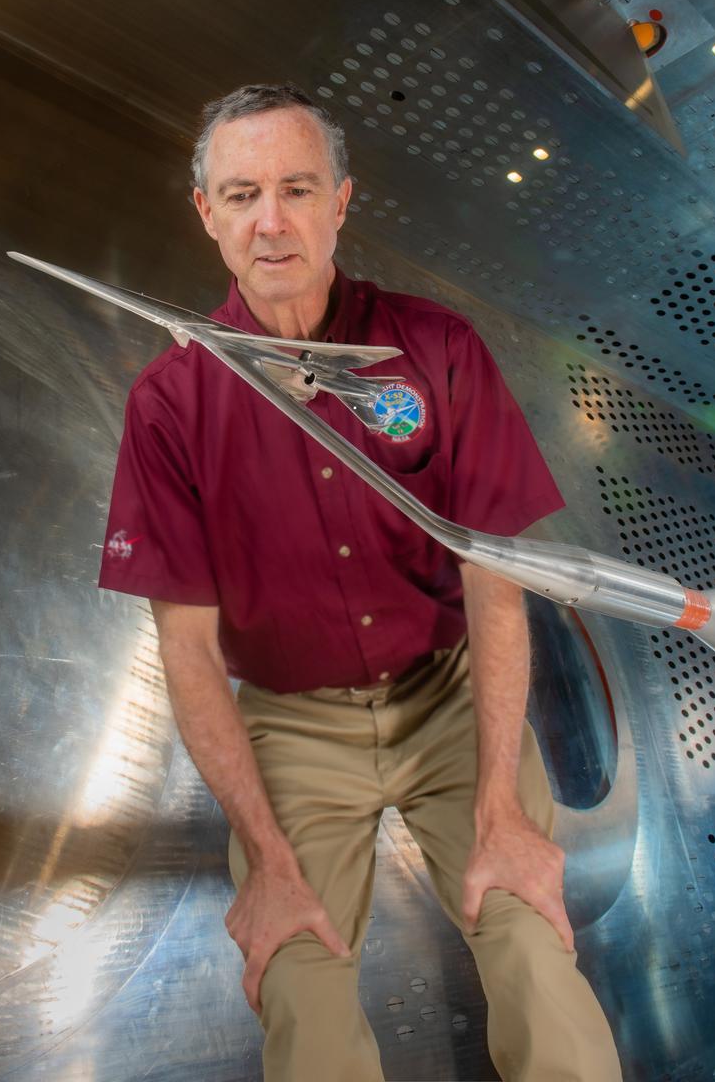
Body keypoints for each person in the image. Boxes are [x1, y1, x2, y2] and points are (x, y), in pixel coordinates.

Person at [98, 83, 622, 1082]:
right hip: (291, 725)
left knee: (525, 929)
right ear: (204, 211)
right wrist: (264, 853)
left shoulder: (437, 349)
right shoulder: (169, 402)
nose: (271, 220)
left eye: (297, 188)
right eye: (242, 192)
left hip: (451, 694)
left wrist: (505, 816)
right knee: (294, 964)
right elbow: (187, 647)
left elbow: (494, 582)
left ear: (341, 199)